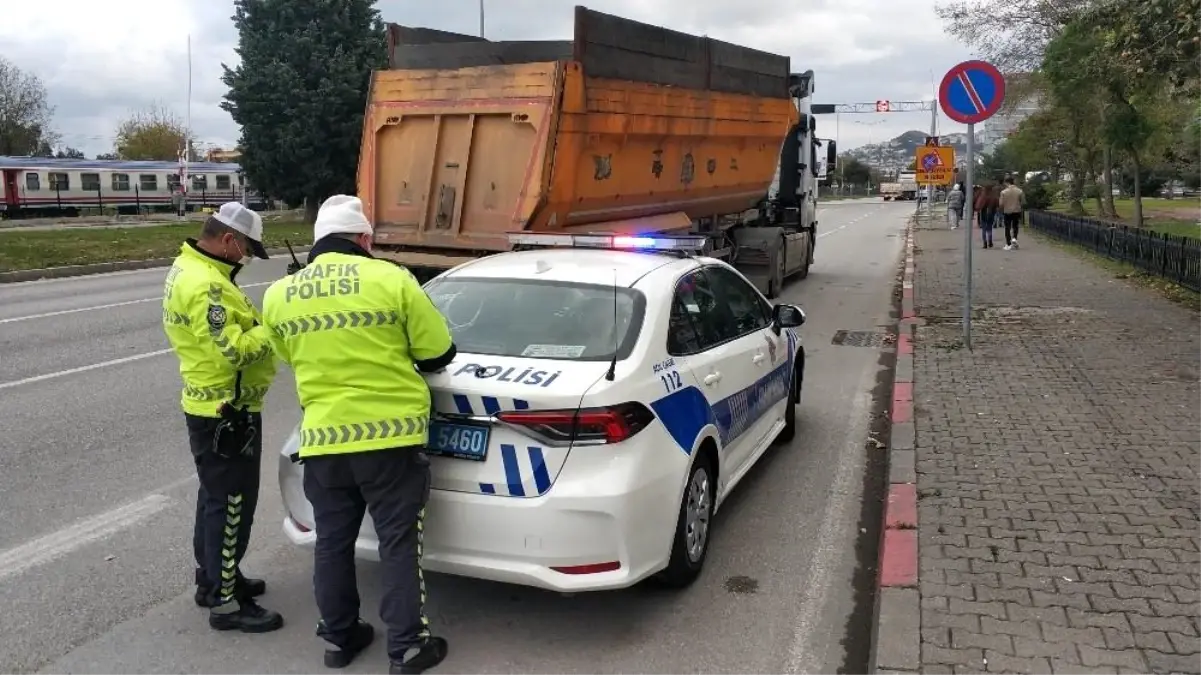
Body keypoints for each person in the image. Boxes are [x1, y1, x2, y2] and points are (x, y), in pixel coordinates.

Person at [262, 195, 458, 674]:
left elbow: (289, 356)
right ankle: (408, 648)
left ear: (317, 239)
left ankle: (339, 638)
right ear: (365, 238)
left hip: (324, 442)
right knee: (397, 544)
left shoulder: (279, 294)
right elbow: (439, 353)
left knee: (331, 542)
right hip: (390, 442)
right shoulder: (391, 278)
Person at [161, 202, 283, 632]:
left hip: (211, 404)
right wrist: (275, 324)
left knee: (215, 498)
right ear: (229, 240)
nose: (247, 257)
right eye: (247, 248)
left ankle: (214, 578)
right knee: (232, 504)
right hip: (227, 411)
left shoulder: (190, 268)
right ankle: (225, 602)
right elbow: (234, 350)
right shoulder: (206, 287)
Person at [999, 176, 1026, 250]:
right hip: (1017, 210)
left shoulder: (1003, 192)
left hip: (1007, 211)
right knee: (1015, 225)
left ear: (1007, 182)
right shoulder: (1019, 191)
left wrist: (1002, 207)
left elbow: (1001, 203)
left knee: (1007, 227)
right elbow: (1023, 202)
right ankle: (1014, 238)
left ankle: (1008, 243)